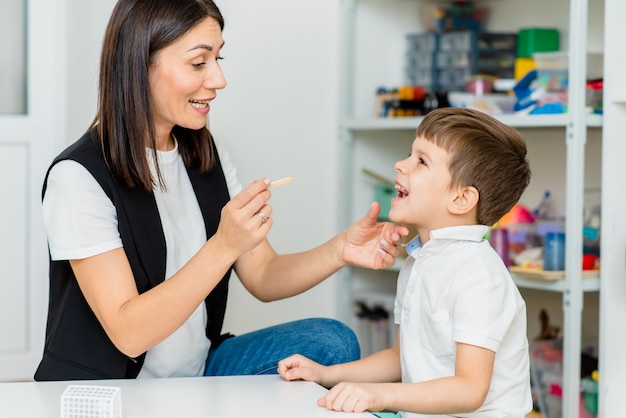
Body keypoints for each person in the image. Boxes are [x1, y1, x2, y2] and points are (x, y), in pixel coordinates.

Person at [34, 0, 409, 381]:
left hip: (199, 371)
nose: (218, 79)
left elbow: (262, 275)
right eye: (199, 63)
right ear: (139, 64)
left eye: (218, 59)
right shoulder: (78, 177)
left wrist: (341, 249)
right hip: (115, 386)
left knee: (332, 341)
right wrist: (224, 245)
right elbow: (129, 334)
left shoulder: (202, 152)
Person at [278, 107, 534, 418]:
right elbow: (401, 359)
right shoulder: (420, 260)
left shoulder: (479, 276)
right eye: (409, 154)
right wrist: (324, 375)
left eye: (421, 161)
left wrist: (379, 395)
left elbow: (469, 389)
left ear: (461, 199)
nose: (401, 164)